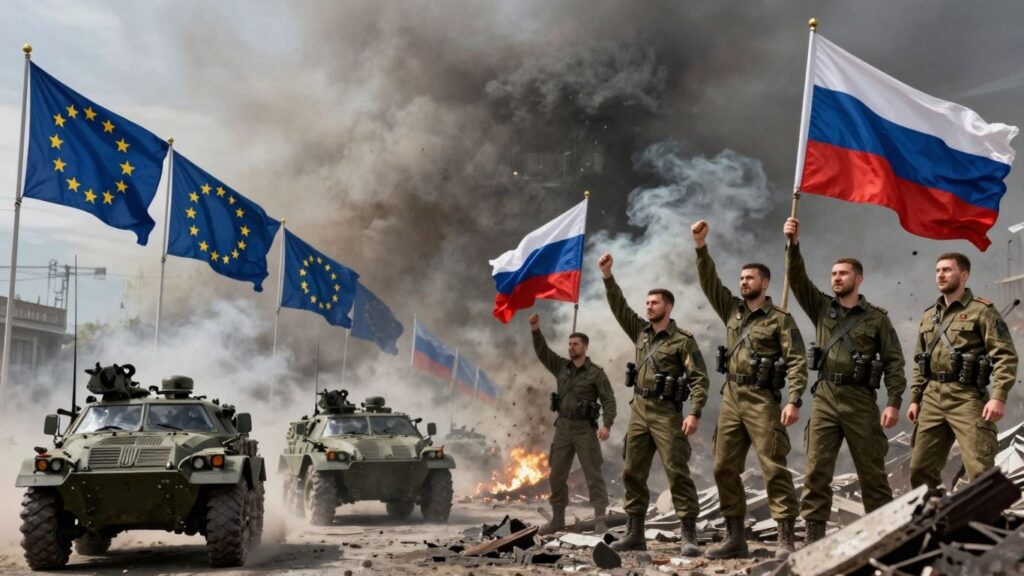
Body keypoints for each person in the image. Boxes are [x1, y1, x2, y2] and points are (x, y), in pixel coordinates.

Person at [783, 217, 906, 544]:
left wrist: (893, 402)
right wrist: (793, 245)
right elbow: (797, 279)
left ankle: (884, 540)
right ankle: (814, 540)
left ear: (859, 278)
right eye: (834, 274)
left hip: (861, 400)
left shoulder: (876, 319)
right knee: (817, 471)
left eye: (843, 273)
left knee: (872, 474)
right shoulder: (822, 308)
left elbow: (894, 362)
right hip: (825, 396)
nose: (837, 278)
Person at [692, 220, 806, 558]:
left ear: (765, 283)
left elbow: (797, 360)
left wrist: (795, 399)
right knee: (723, 466)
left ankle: (785, 538)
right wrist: (700, 247)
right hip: (732, 398)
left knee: (773, 465)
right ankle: (735, 538)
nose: (743, 283)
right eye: (741, 279)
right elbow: (709, 282)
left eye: (749, 278)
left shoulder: (780, 319)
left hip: (762, 400)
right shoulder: (732, 310)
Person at [599, 252, 709, 556]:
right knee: (632, 471)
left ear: (668, 307)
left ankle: (689, 536)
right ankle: (635, 533)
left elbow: (699, 379)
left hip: (667, 414)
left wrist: (695, 412)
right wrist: (608, 277)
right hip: (640, 411)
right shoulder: (641, 334)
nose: (648, 307)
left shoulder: (683, 341)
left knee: (677, 472)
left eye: (654, 303)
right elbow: (619, 307)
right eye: (646, 303)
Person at [908, 252, 1018, 488]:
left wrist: (998, 396)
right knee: (919, 469)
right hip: (932, 398)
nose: (940, 275)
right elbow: (921, 360)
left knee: (979, 468)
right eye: (938, 270)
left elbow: (1005, 355)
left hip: (966, 396)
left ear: (964, 275)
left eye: (947, 270)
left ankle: (983, 522)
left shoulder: (982, 310)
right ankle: (933, 521)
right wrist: (916, 398)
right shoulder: (929, 316)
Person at [529, 313, 617, 534]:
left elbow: (609, 400)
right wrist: (536, 330)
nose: (571, 347)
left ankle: (599, 519)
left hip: (585, 430)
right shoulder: (561, 367)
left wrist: (607, 424)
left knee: (593, 474)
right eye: (569, 344)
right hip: (563, 428)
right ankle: (557, 519)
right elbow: (543, 353)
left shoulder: (596, 373)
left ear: (585, 347)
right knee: (557, 474)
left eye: (575, 344)